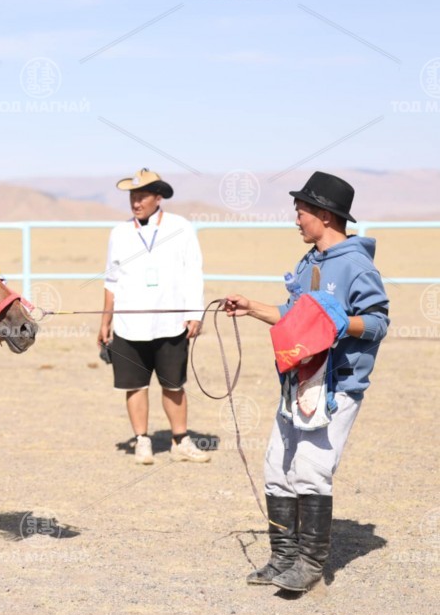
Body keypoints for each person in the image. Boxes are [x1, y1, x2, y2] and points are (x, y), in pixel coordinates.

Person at [224, 171, 388, 592]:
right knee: (277, 468)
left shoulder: (356, 266)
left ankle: (310, 564)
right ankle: (282, 557)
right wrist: (250, 307)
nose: (296, 219)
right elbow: (294, 316)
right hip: (297, 382)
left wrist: (341, 322)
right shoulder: (309, 262)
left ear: (325, 215)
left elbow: (378, 322)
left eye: (301, 212)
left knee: (311, 471)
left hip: (336, 387)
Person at [96, 168, 210, 465]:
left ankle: (180, 441)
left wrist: (195, 313)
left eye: (142, 196)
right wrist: (105, 322)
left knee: (174, 385)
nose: (136, 202)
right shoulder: (119, 233)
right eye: (133, 197)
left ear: (158, 197)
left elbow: (193, 272)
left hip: (171, 323)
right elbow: (111, 280)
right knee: (135, 385)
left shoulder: (181, 227)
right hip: (129, 324)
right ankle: (142, 441)